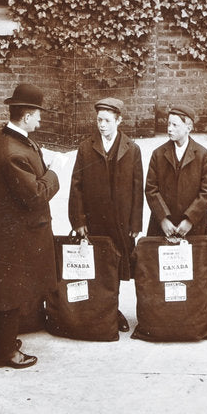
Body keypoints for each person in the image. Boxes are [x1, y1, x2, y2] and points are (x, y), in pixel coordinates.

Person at [0, 83, 60, 369]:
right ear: (27, 116)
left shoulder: (2, 137)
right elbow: (35, 195)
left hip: (3, 231)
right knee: (9, 292)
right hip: (15, 235)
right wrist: (53, 172)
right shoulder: (13, 152)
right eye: (38, 115)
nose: (41, 120)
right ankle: (4, 353)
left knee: (1, 289)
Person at [68, 97, 143, 332]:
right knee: (98, 266)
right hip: (95, 219)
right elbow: (76, 186)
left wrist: (135, 222)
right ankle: (101, 311)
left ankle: (113, 308)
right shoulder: (86, 147)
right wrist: (79, 221)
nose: (102, 125)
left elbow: (137, 188)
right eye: (99, 120)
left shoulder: (132, 149)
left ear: (119, 121)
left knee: (117, 265)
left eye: (107, 121)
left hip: (121, 221)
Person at [145, 105, 207, 239]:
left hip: (193, 226)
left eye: (175, 125)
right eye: (168, 124)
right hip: (162, 226)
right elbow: (151, 189)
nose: (169, 129)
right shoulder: (158, 154)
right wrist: (163, 219)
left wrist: (190, 220)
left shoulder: (202, 155)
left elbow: (206, 192)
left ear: (189, 128)